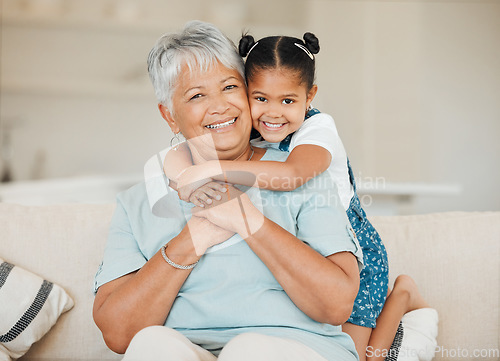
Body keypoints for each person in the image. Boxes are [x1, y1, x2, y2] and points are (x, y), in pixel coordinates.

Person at [92, 20, 365, 361]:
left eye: (229, 87)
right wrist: (191, 240)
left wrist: (247, 219)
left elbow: (337, 304)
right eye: (196, 95)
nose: (219, 106)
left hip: (298, 348)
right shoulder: (137, 202)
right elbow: (118, 335)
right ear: (170, 116)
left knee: (247, 351)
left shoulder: (303, 178)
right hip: (186, 349)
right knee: (153, 345)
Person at [162, 32, 392, 360]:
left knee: (361, 353)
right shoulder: (257, 124)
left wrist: (213, 171)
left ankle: (404, 298)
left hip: (350, 245)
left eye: (288, 101)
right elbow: (177, 155)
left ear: (309, 96)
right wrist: (182, 176)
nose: (273, 112)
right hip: (309, 240)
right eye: (260, 99)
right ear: (246, 92)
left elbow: (292, 175)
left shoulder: (318, 129)